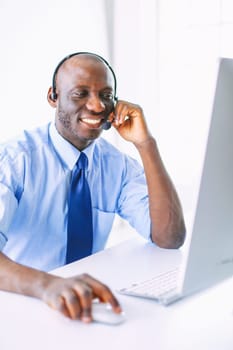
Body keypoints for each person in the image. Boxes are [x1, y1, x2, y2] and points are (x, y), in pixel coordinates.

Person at [0, 52, 186, 323]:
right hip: (23, 303)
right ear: (53, 97)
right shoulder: (15, 161)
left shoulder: (116, 164)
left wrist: (146, 144)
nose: (98, 106)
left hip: (86, 305)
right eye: (80, 93)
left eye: (107, 96)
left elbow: (169, 237)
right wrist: (48, 285)